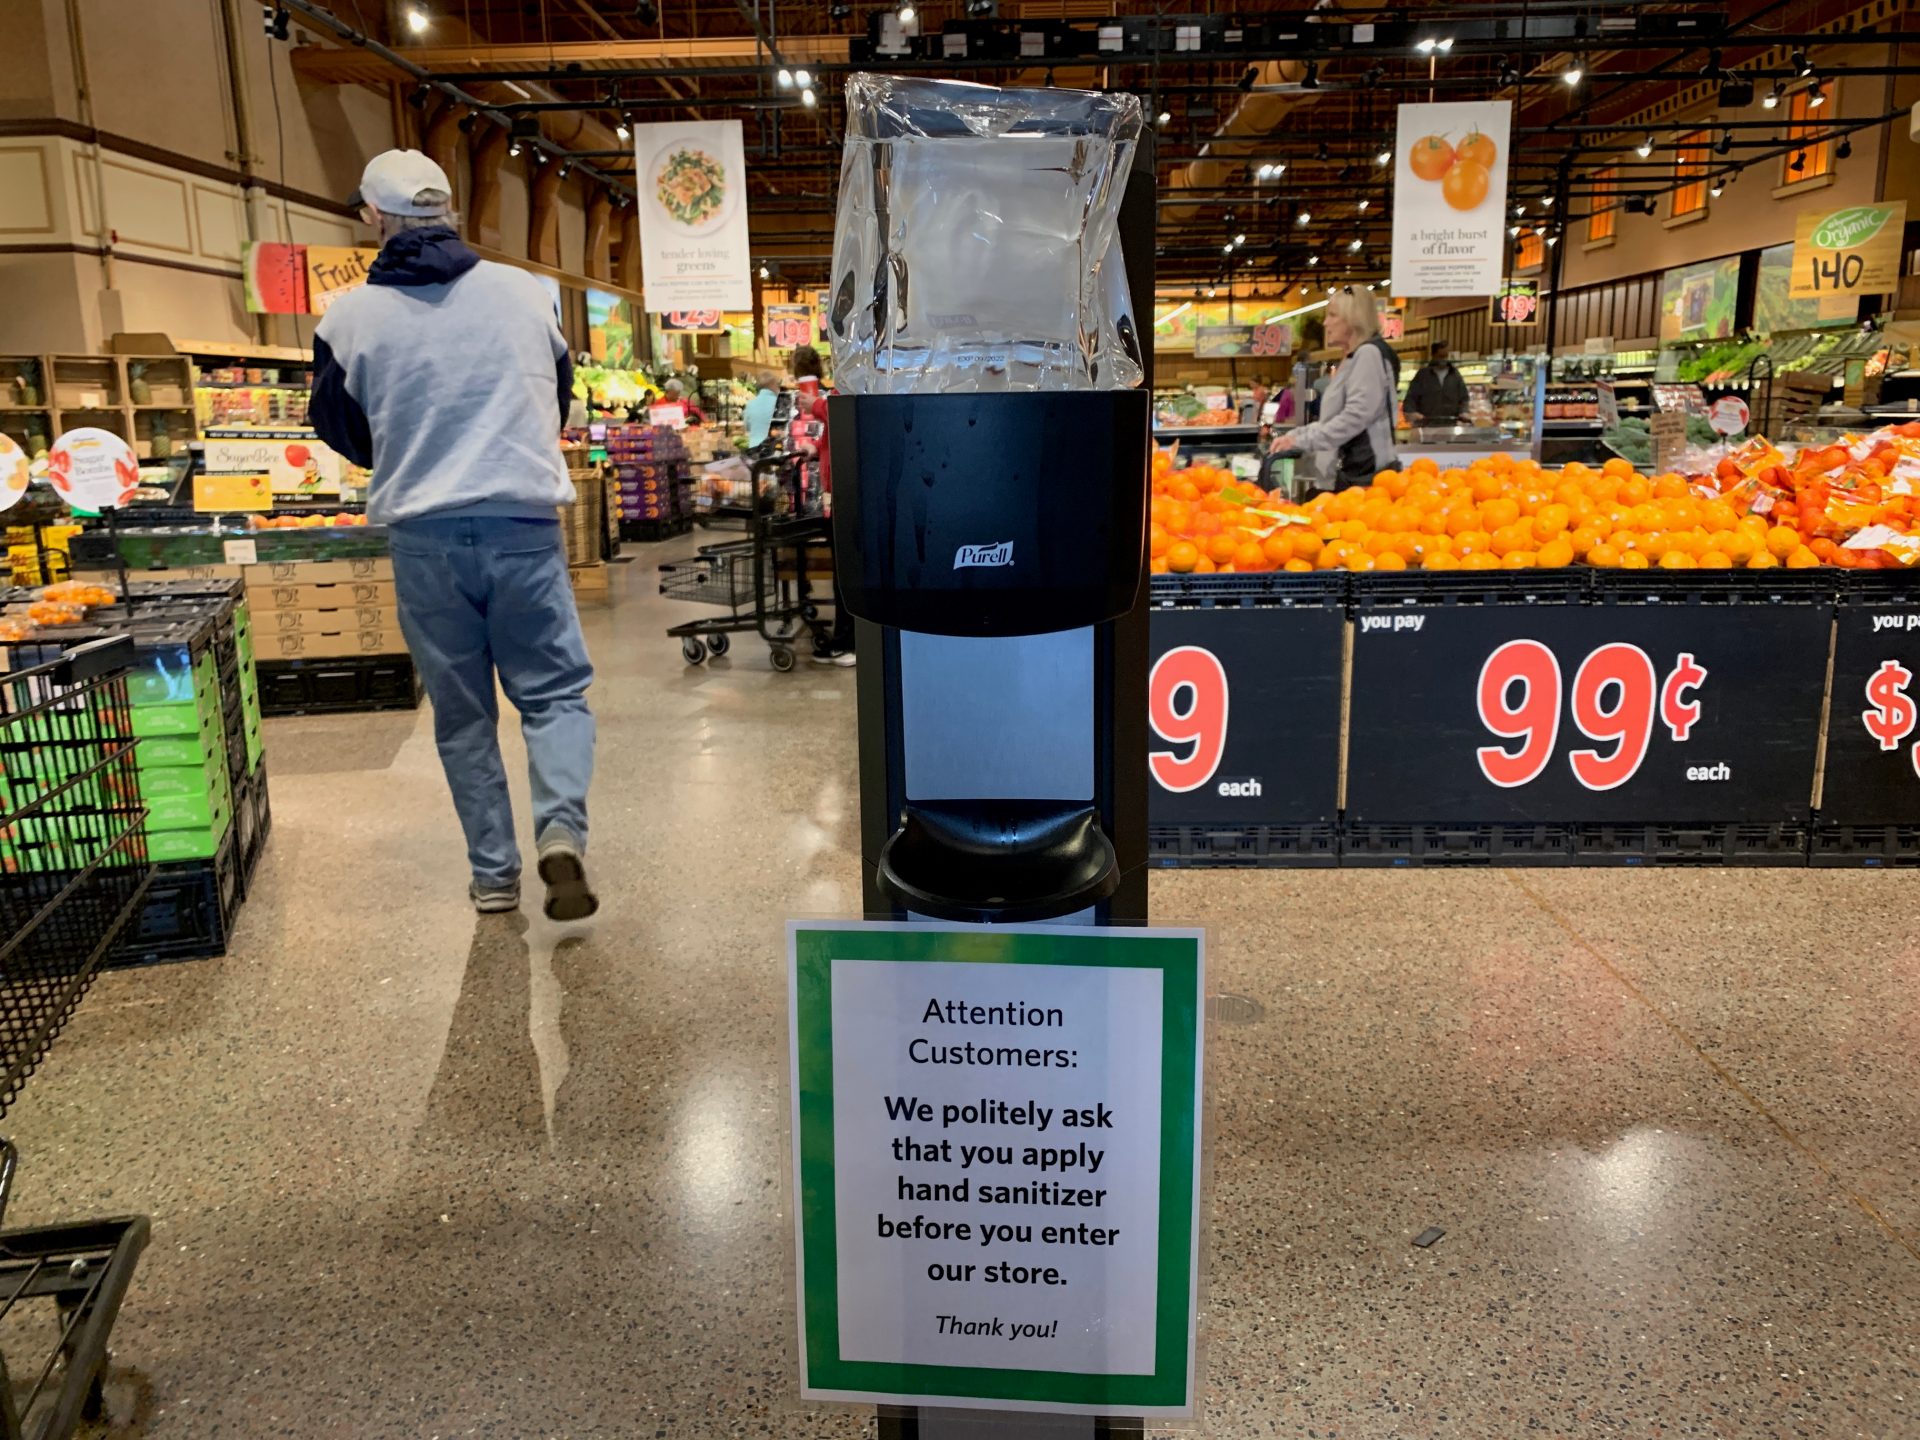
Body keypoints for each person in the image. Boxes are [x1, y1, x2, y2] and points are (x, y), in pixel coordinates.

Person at [311, 149, 597, 921]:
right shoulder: (524, 294)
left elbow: (337, 423)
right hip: (523, 526)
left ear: (373, 216)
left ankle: (493, 876)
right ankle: (561, 829)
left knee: (463, 714)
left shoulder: (347, 316)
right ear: (451, 210)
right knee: (555, 695)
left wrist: (404, 447)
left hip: (425, 537)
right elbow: (558, 397)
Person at [1270, 288, 1400, 491]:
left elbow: (1354, 418)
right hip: (1352, 478)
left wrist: (1301, 440)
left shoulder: (1368, 354)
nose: (1325, 323)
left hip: (1364, 480)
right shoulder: (1353, 357)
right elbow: (1332, 421)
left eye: (1332, 315)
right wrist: (1295, 436)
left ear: (1353, 318)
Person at [790, 345, 854, 665]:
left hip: (846, 493)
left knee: (845, 571)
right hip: (837, 492)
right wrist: (814, 449)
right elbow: (833, 433)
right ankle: (845, 639)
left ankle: (848, 643)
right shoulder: (843, 384)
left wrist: (815, 403)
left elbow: (841, 414)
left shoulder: (851, 386)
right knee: (841, 570)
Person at [1404, 340, 1469, 426]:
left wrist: (1463, 412)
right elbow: (1411, 397)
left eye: (1446, 356)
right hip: (1427, 424)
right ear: (1433, 355)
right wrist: (1411, 412)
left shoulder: (1455, 374)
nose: (1444, 359)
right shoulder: (1423, 375)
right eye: (1441, 356)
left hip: (1450, 424)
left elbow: (1464, 397)